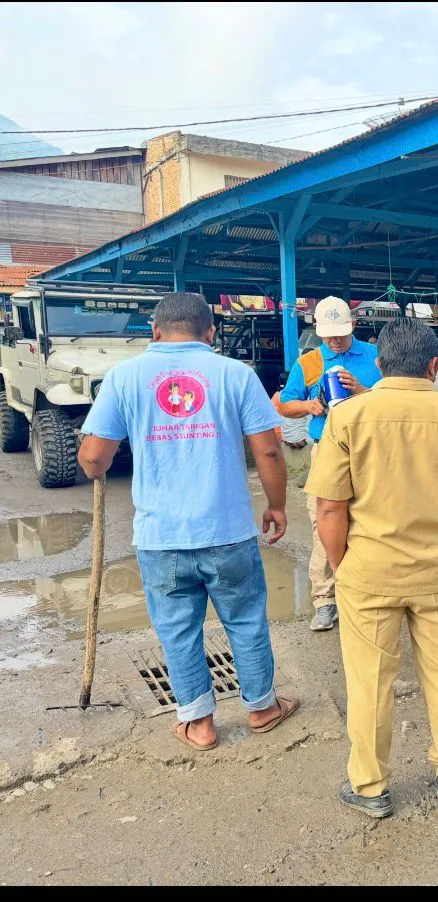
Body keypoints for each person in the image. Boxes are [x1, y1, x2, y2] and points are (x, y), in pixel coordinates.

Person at [77, 292, 298, 752]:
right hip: (229, 532)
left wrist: (94, 466)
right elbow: (270, 449)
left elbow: (95, 458)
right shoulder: (236, 375)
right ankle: (262, 707)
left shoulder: (124, 377)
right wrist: (277, 506)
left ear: (154, 332)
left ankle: (198, 724)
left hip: (161, 538)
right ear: (210, 332)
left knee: (177, 628)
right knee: (245, 620)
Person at [306, 317, 438, 818]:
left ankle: (370, 786)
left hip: (369, 573)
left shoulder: (347, 418)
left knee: (369, 679)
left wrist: (340, 565)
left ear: (380, 363)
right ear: (434, 364)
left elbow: (329, 508)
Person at [277, 296, 381, 633]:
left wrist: (363, 390)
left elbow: (392, 398)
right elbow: (285, 404)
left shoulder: (374, 357)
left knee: (369, 519)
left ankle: (366, 590)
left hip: (368, 449)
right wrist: (309, 406)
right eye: (328, 335)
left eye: (340, 333)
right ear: (319, 332)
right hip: (327, 448)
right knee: (324, 522)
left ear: (353, 326)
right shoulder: (308, 362)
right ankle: (325, 601)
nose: (335, 341)